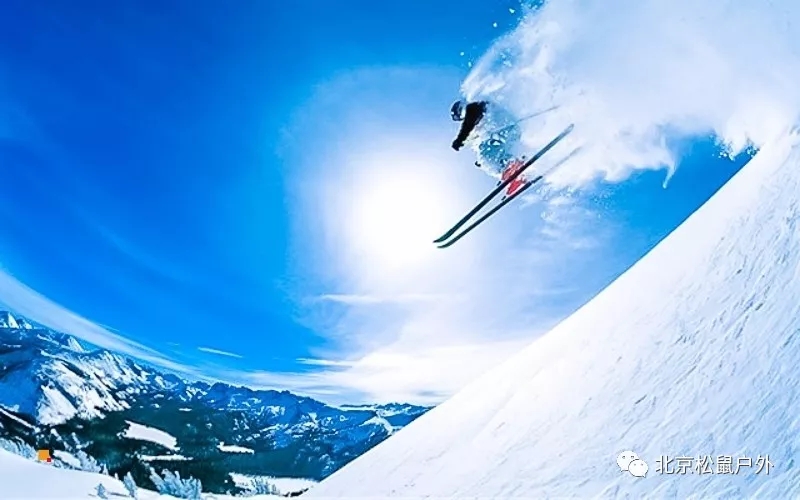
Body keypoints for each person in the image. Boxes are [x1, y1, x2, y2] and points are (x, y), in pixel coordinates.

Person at [450, 99, 521, 177]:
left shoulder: (474, 107)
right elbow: (474, 137)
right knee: (492, 154)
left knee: (486, 155)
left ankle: (509, 166)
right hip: (509, 130)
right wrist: (480, 161)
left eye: (460, 116)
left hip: (504, 128)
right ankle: (514, 168)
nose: (463, 118)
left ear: (461, 108)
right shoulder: (480, 114)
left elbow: (468, 125)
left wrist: (459, 140)